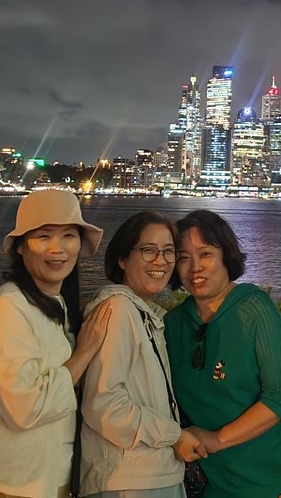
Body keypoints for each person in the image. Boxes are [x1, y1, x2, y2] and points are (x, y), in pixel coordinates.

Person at [0, 189, 111, 498]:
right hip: (9, 482)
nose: (57, 249)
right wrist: (83, 353)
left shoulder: (56, 305)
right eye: (43, 236)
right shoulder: (9, 307)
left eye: (68, 236)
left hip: (47, 476)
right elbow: (24, 408)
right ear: (21, 247)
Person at [164, 209, 281, 498]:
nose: (195, 268)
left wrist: (217, 439)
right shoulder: (173, 324)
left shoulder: (254, 308)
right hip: (209, 477)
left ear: (226, 256)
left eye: (205, 254)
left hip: (269, 476)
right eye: (184, 257)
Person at [79, 211, 206, 498]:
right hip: (129, 479)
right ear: (122, 259)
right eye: (148, 250)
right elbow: (104, 405)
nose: (160, 261)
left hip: (148, 473)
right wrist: (175, 435)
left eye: (169, 251)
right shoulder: (118, 310)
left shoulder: (144, 315)